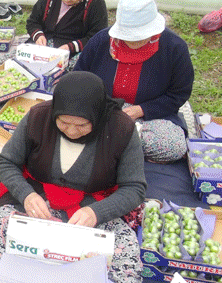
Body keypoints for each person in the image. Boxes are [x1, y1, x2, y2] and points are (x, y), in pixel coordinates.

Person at [0, 72, 146, 283]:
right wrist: (26, 195)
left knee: (125, 246)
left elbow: (135, 188)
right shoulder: (39, 117)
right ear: (55, 113)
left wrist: (97, 212)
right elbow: (6, 162)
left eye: (83, 125)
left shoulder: (120, 129)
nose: (72, 131)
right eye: (64, 123)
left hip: (92, 203)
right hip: (39, 197)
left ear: (98, 116)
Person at [74, 0, 194, 163]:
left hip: (148, 119)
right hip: (103, 110)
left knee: (173, 145)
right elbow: (79, 77)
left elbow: (179, 93)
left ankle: (106, 143)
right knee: (69, 125)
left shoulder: (174, 47)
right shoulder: (101, 40)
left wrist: (142, 110)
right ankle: (117, 143)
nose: (132, 42)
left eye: (139, 37)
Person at [26, 0, 108, 69]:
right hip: (44, 45)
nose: (68, 0)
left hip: (75, 50)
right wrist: (38, 35)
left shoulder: (96, 3)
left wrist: (70, 47)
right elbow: (33, 22)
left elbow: (98, 37)